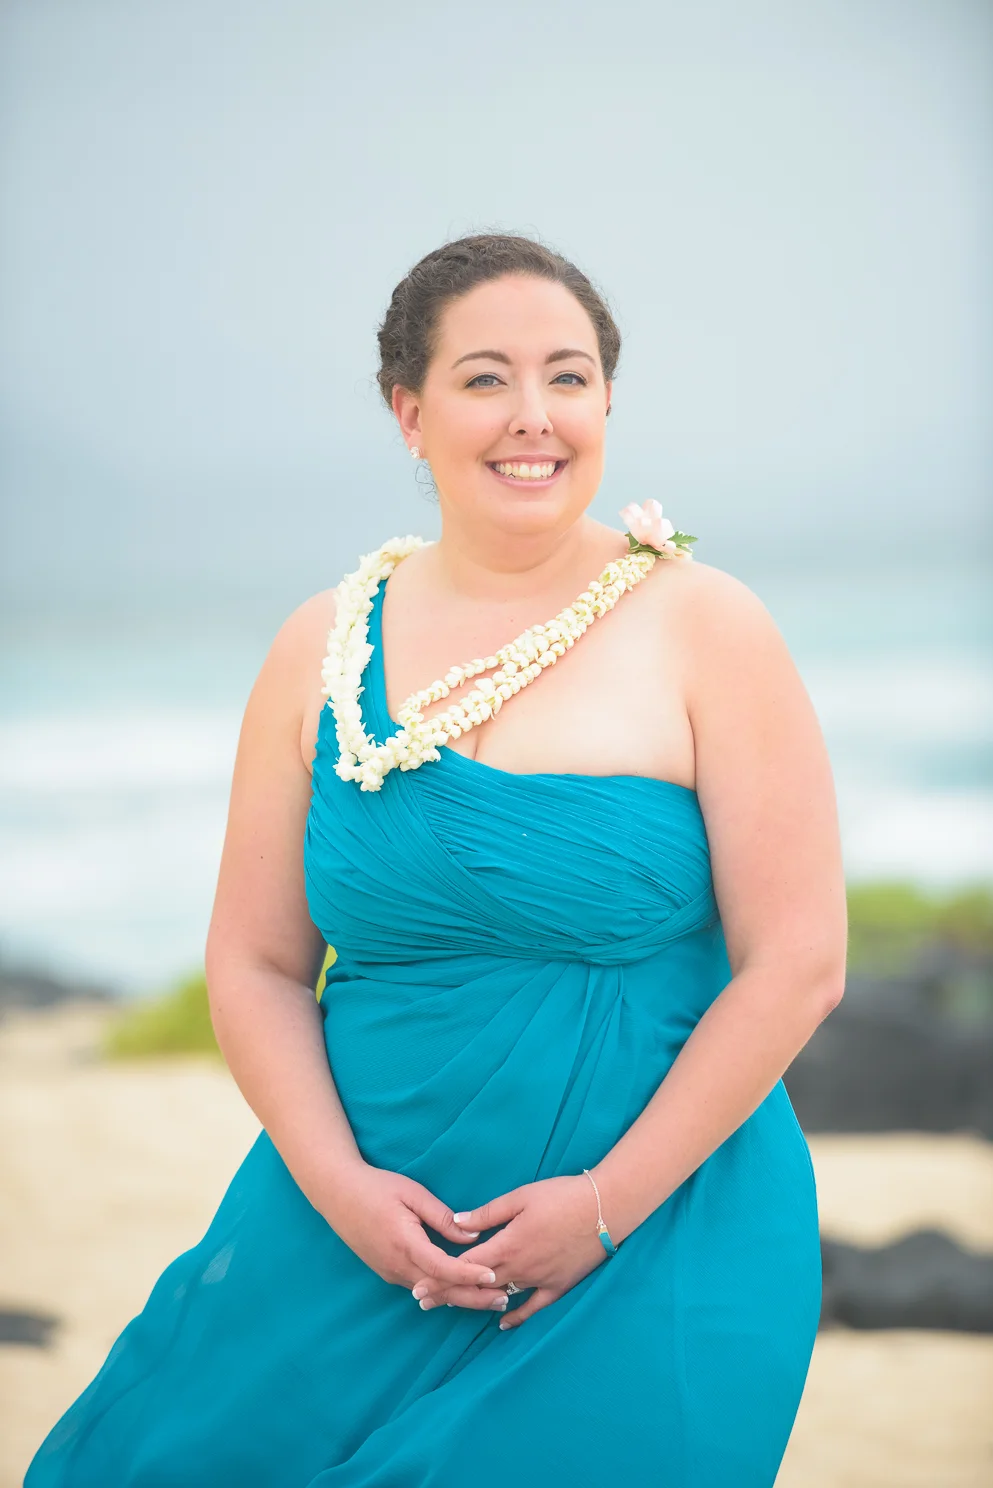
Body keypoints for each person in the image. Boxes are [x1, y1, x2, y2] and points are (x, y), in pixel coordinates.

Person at [27, 233, 847, 1487]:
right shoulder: (320, 648)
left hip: (657, 1230)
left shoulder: (707, 627)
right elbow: (251, 964)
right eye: (485, 379)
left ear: (609, 403)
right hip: (353, 1235)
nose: (535, 417)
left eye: (569, 379)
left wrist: (605, 1206)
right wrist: (344, 1190)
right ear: (409, 413)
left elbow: (796, 965)